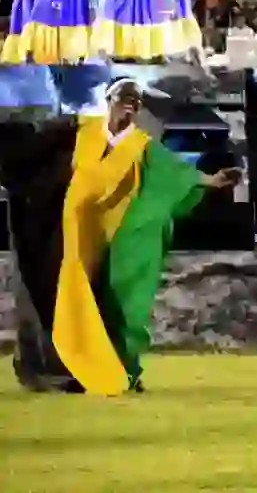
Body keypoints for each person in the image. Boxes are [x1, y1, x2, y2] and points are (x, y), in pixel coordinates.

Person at [0, 79, 241, 395]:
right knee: (54, 298)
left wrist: (211, 181)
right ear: (108, 99)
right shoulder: (77, 131)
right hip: (68, 235)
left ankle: (115, 368)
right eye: (123, 96)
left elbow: (176, 175)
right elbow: (31, 157)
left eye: (135, 100)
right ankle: (53, 369)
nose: (129, 103)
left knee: (118, 304)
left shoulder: (142, 146)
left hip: (112, 237)